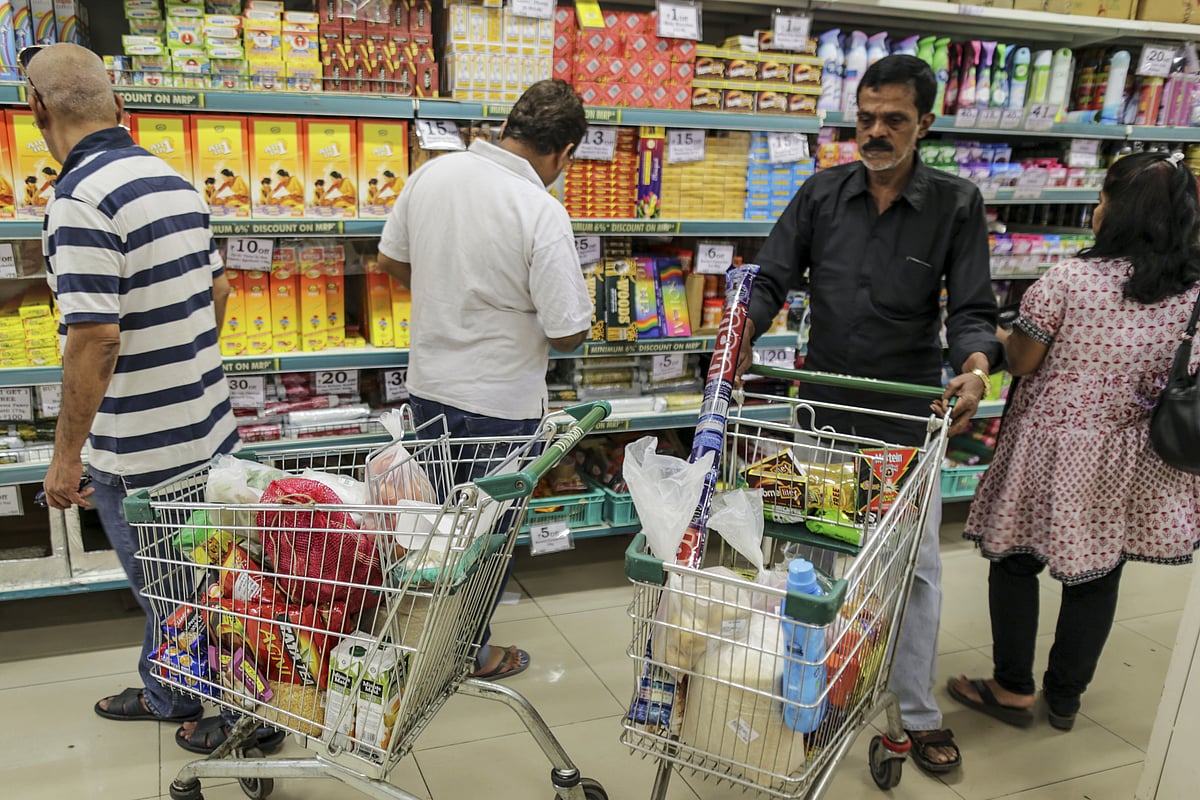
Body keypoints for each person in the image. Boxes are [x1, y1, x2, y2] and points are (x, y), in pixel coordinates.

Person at [734, 55, 1002, 773]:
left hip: (905, 421)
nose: (876, 132)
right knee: (814, 558)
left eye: (894, 120)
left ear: (926, 123)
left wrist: (976, 370)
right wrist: (742, 332)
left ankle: (914, 712)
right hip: (823, 413)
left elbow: (972, 310)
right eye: (866, 118)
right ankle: (811, 694)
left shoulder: (956, 204)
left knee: (913, 569)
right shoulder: (822, 194)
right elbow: (770, 278)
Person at [26, 43, 275, 756]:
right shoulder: (174, 181)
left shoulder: (78, 201)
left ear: (37, 109)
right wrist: (184, 364)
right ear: (118, 104)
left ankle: (233, 714)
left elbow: (95, 339)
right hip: (209, 430)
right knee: (208, 573)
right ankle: (169, 690)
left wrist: (65, 457)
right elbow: (219, 291)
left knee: (172, 588)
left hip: (140, 452)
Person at [949, 151, 1200, 731]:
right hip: (1130, 450)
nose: (1096, 207)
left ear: (1115, 211)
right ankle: (1065, 697)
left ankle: (1012, 687)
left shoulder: (1069, 280)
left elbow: (1022, 361)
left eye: (1103, 197)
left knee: (1015, 558)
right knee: (1100, 569)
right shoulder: (1191, 292)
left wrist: (1003, 335)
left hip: (1050, 445)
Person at [376, 78, 592, 681]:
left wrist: (446, 292)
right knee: (486, 541)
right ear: (564, 152)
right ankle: (468, 652)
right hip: (500, 406)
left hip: (428, 392)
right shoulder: (540, 210)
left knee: (434, 530)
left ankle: (423, 639)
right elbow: (568, 332)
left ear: (507, 127)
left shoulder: (433, 175)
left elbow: (389, 258)